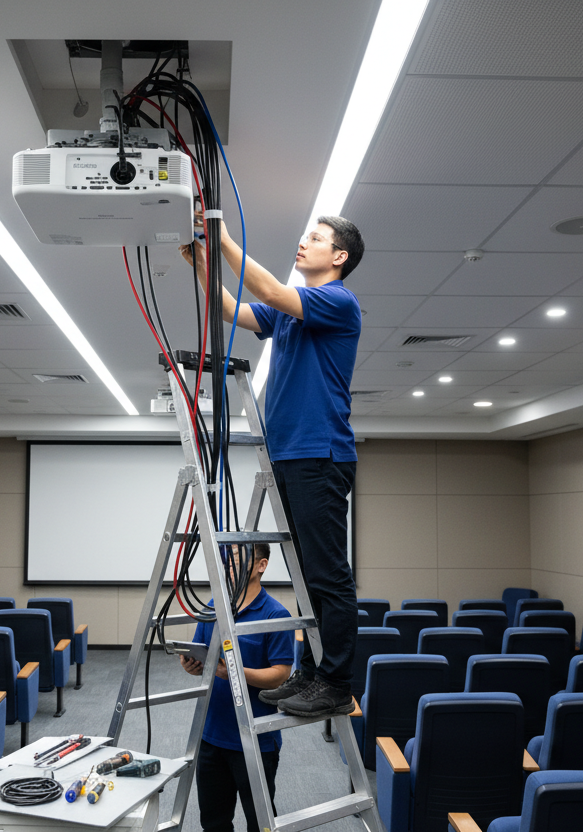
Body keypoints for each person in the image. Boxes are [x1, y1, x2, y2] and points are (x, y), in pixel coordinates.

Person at [179, 215, 363, 718]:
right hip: (287, 455)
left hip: (318, 454)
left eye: (317, 239)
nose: (304, 243)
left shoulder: (337, 301)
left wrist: (225, 244)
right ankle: (316, 671)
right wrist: (200, 260)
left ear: (340, 257)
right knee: (306, 574)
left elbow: (279, 294)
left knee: (327, 575)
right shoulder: (290, 315)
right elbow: (229, 309)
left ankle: (338, 682)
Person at [179, 543, 295, 832]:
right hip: (211, 736)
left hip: (255, 740)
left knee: (261, 824)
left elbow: (280, 675)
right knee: (214, 823)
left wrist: (229, 672)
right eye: (227, 558)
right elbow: (203, 655)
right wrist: (192, 665)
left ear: (261, 566)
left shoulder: (275, 615)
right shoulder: (212, 607)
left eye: (237, 558)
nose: (229, 563)